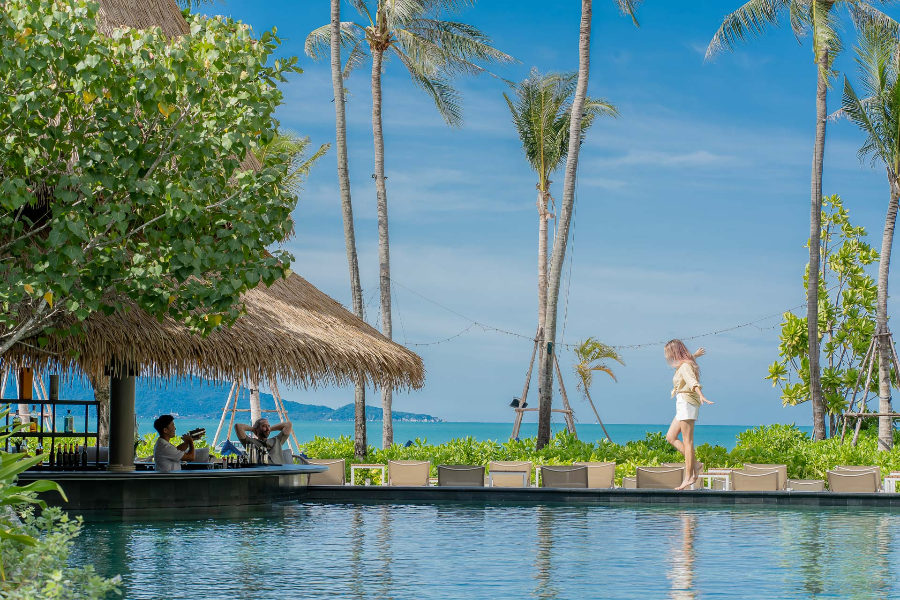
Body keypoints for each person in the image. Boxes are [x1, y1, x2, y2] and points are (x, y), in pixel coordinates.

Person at [663, 341, 713, 490]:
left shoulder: (685, 366)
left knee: (687, 442)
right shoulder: (685, 363)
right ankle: (696, 464)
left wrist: (702, 395)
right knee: (670, 437)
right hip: (682, 403)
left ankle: (689, 476)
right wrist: (695, 355)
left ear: (676, 352)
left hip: (686, 403)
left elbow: (693, 381)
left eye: (670, 353)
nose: (669, 356)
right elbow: (686, 363)